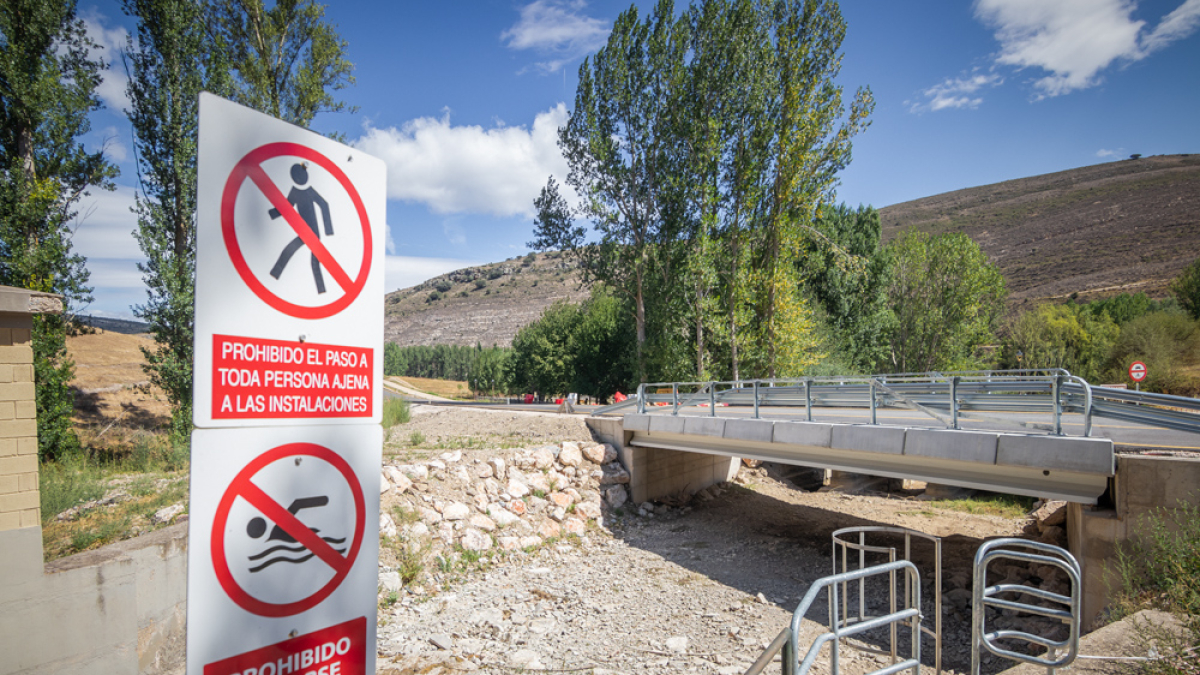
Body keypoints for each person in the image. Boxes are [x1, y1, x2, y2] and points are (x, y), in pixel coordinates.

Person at [269, 163, 333, 293]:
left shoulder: (310, 191)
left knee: (312, 261)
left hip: (313, 233)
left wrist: (329, 230)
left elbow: (324, 205)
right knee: (292, 251)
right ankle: (321, 290)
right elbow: (286, 208)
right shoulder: (294, 192)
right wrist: (271, 213)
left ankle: (321, 291)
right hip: (304, 231)